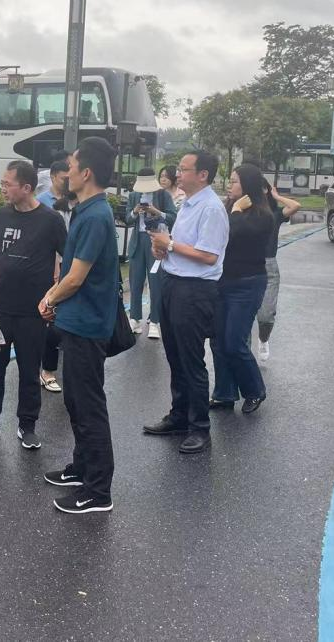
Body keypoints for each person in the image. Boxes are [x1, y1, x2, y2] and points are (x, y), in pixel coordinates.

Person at [39, 137, 120, 514]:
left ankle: (98, 491)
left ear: (86, 173)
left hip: (88, 327)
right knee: (75, 400)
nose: (65, 173)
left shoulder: (95, 215)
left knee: (88, 406)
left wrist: (49, 300)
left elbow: (75, 278)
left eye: (71, 167)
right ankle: (82, 467)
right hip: (77, 323)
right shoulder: (87, 210)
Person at [0, 161, 67, 449]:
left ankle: (27, 424)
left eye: (7, 184)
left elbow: (66, 259)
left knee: (28, 370)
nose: (2, 188)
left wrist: (53, 295)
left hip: (32, 312)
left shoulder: (51, 220)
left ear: (26, 187)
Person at [143, 150, 230, 454]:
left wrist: (170, 244)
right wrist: (163, 250)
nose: (178, 174)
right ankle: (179, 416)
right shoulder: (188, 204)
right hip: (173, 282)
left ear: (203, 175)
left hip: (195, 291)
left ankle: (199, 428)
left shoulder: (211, 208)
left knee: (191, 360)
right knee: (175, 355)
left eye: (183, 169)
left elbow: (208, 256)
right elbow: (181, 247)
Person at [209, 164, 276, 414]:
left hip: (248, 284)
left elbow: (233, 234)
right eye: (230, 180)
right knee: (218, 340)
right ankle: (224, 393)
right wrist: (233, 210)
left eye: (235, 181)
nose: (230, 185)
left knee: (234, 341)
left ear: (248, 185)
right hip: (222, 281)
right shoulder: (227, 209)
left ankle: (255, 391)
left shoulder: (263, 216)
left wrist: (236, 211)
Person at [125, 168, 177, 340]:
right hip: (137, 241)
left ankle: (155, 321)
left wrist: (156, 212)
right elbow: (127, 219)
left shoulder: (163, 195)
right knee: (135, 281)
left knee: (156, 283)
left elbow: (173, 217)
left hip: (156, 239)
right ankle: (134, 318)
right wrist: (135, 211)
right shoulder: (134, 195)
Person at [255, 176, 299, 361]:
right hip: (245, 264)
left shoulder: (275, 214)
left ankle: (263, 339)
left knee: (265, 315)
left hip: (269, 266)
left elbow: (295, 206)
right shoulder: (244, 212)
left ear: (266, 190)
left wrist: (277, 196)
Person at [40, 160, 71, 393]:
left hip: (74, 268)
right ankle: (47, 370)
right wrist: (55, 270)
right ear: (52, 176)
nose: (68, 181)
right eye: (63, 178)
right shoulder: (42, 202)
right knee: (50, 319)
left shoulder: (77, 202)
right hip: (54, 268)